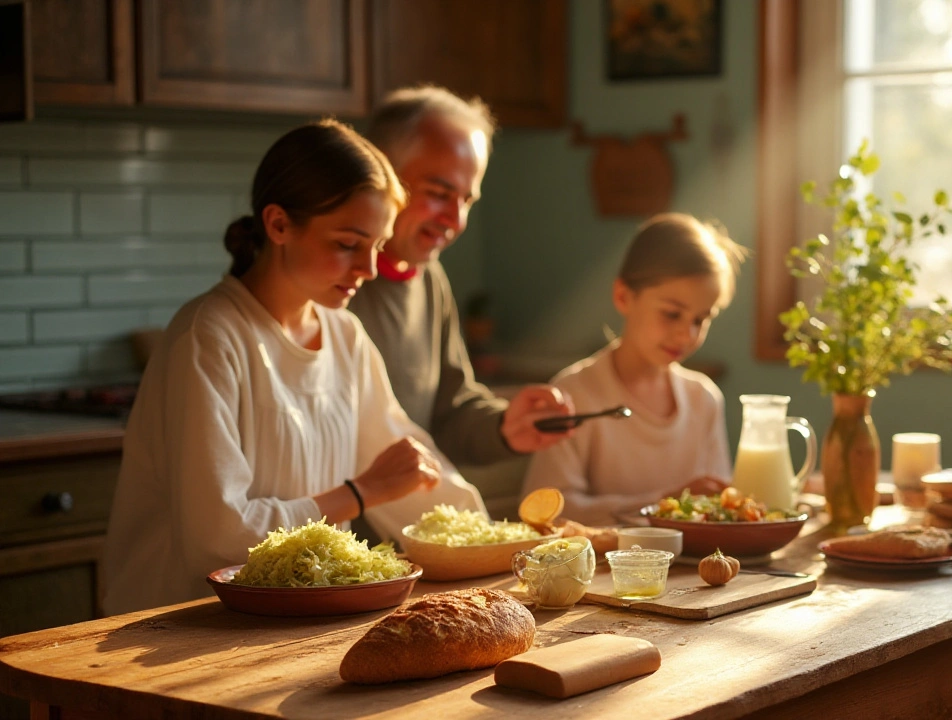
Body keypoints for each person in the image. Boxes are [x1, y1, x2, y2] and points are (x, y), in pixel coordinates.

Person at [101, 120, 485, 615]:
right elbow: (217, 537)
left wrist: (498, 541)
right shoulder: (208, 337)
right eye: (348, 244)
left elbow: (407, 472)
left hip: (293, 625)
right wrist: (360, 493)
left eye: (377, 245)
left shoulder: (344, 336)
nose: (369, 269)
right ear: (279, 224)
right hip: (176, 632)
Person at [349, 86, 574, 483]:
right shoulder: (334, 284)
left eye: (467, 201)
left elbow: (450, 414)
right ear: (379, 174)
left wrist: (507, 425)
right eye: (439, 194)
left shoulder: (430, 279)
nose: (454, 220)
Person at [521, 213, 748, 526]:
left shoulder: (704, 399)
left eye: (700, 319)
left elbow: (720, 510)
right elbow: (546, 511)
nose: (687, 334)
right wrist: (663, 504)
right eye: (671, 314)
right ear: (623, 297)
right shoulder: (574, 393)